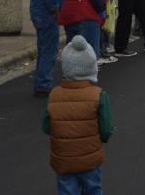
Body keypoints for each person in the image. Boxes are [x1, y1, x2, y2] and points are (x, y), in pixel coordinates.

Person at [42, 36, 113, 194]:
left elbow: (46, 126)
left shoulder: (54, 95)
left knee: (67, 189)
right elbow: (106, 128)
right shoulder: (99, 95)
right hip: (90, 157)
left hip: (63, 158)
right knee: (93, 188)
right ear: (91, 67)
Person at [30, 0, 65, 97]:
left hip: (38, 10)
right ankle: (43, 84)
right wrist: (55, 8)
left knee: (44, 47)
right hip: (46, 13)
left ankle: (41, 81)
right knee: (49, 49)